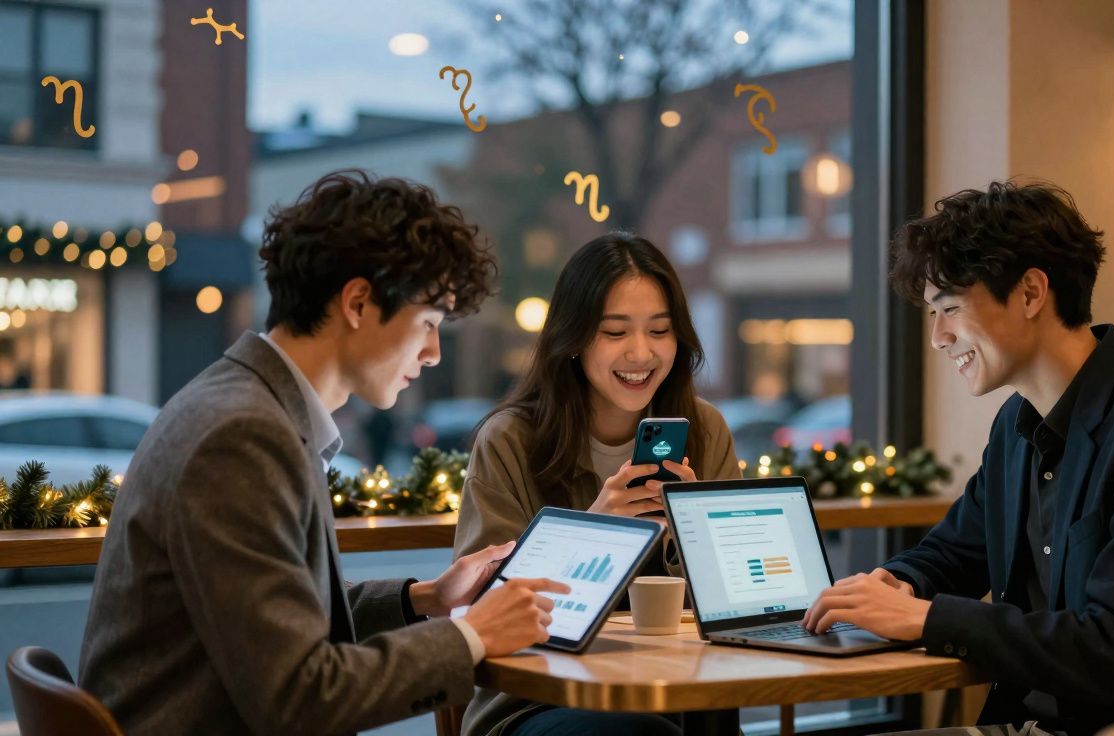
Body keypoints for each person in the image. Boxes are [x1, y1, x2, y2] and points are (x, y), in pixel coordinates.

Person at [79, 170, 569, 735]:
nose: (434, 352)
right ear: (358, 301)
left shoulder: (245, 405)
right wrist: (473, 634)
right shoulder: (241, 436)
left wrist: (428, 598)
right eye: (428, 322)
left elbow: (277, 620)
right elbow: (299, 698)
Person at [802, 181, 1114, 736]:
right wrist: (894, 584)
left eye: (948, 308)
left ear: (1030, 293)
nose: (938, 338)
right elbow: (954, 553)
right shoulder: (1016, 426)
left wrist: (925, 617)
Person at [454, 232, 742, 736]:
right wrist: (594, 530)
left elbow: (738, 601)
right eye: (614, 332)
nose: (641, 353)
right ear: (574, 338)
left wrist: (687, 534)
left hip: (679, 691)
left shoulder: (705, 428)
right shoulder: (510, 440)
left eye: (660, 330)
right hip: (536, 702)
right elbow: (486, 607)